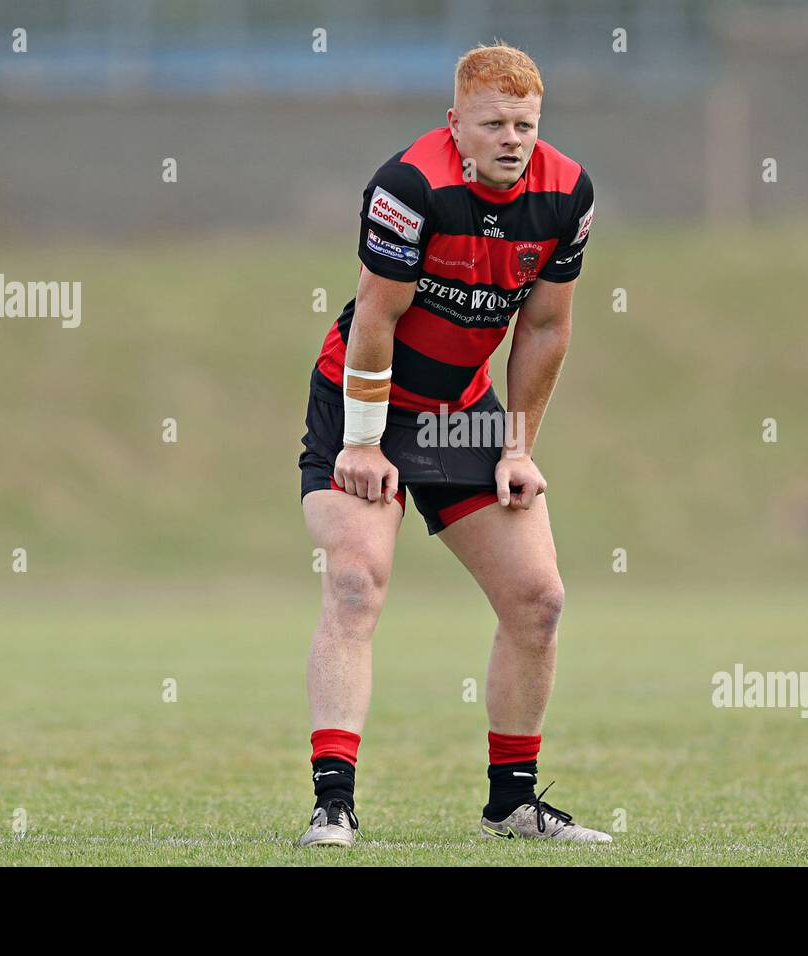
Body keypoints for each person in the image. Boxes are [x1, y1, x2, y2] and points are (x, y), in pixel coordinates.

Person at [295, 41, 608, 846]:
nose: (513, 139)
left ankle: (513, 803)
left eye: (526, 124)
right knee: (357, 583)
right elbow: (377, 319)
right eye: (495, 123)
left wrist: (516, 446)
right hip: (363, 400)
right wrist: (364, 443)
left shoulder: (568, 192)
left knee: (539, 602)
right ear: (456, 124)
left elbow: (545, 326)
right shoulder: (410, 186)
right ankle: (333, 804)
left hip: (460, 409)